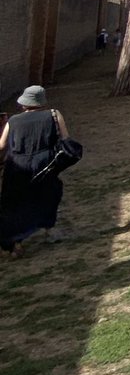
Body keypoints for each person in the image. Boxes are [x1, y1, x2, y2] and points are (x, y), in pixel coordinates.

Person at [0, 86, 70, 257]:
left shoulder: (13, 121)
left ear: (24, 103)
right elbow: (66, 139)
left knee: (15, 203)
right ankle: (48, 230)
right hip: (44, 163)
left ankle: (15, 243)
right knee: (48, 195)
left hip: (17, 165)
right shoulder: (54, 115)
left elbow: (2, 145)